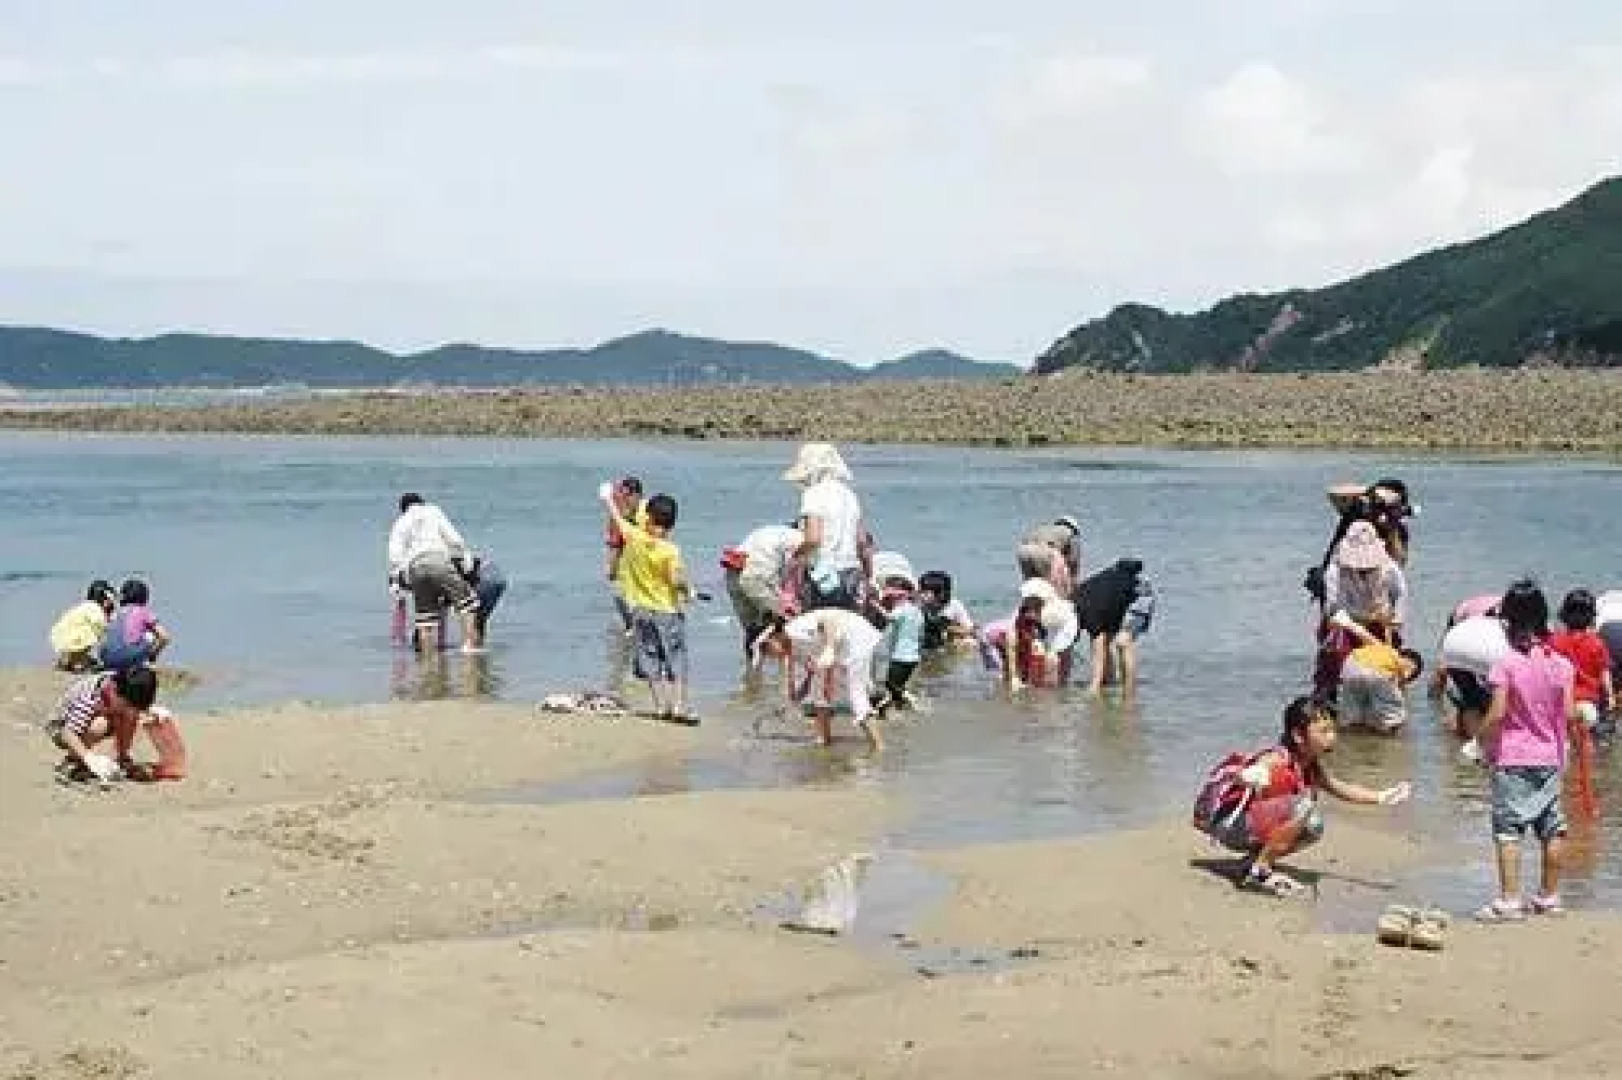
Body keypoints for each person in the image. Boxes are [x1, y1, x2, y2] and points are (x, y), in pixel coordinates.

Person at [1193, 697, 1411, 897]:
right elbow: (1247, 772)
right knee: (1304, 807)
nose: (1332, 737)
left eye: (1333, 730)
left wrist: (1382, 797)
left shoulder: (1309, 765)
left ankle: (1251, 864)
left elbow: (1340, 788)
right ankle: (1260, 873)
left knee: (1313, 827)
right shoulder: (1278, 758)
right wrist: (1249, 775)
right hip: (1228, 824)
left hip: (1248, 825)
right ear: (1298, 736)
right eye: (1324, 731)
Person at [1472, 581, 1579, 922]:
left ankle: (1509, 900)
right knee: (1552, 828)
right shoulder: (1562, 666)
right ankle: (1549, 897)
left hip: (1514, 758)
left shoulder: (1506, 664)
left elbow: (1499, 713)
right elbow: (1572, 713)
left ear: (1508, 623)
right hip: (1551, 757)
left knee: (1508, 830)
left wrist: (1478, 741)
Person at [600, 485, 693, 722]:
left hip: (640, 610)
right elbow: (676, 580)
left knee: (649, 657)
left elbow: (618, 518)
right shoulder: (671, 550)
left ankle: (661, 706)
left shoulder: (635, 537)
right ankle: (679, 706)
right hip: (667, 611)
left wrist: (607, 498)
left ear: (647, 518)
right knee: (675, 657)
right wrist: (689, 590)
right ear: (672, 525)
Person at [754, 607, 886, 750]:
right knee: (819, 694)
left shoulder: (796, 630)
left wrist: (830, 649)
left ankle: (879, 747)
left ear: (775, 636)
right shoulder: (790, 652)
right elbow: (803, 685)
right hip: (834, 648)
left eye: (767, 650)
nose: (770, 656)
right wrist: (800, 692)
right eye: (765, 654)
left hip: (855, 638)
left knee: (856, 694)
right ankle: (824, 739)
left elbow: (830, 620)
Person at [1313, 520, 1407, 698]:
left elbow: (1400, 592)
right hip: (1344, 626)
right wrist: (1357, 626)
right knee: (1339, 672)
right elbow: (1334, 608)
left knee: (1384, 674)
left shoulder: (1389, 567)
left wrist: (1395, 620)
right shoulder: (1335, 570)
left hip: (1378, 623)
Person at [387, 493, 483, 655]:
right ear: (422, 503)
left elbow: (394, 556)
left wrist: (402, 576)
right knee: (468, 605)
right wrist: (464, 560)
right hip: (438, 561)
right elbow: (455, 540)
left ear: (403, 509)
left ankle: (428, 660)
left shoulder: (400, 522)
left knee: (425, 619)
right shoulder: (433, 511)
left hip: (415, 568)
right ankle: (469, 647)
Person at [784, 443, 871, 612]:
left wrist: (794, 559)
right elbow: (862, 542)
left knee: (820, 628)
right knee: (844, 628)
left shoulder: (813, 494)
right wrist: (868, 575)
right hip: (851, 573)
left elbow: (814, 539)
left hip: (823, 576)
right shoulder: (850, 495)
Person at [44, 665, 160, 784]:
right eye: (126, 704)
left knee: (131, 716)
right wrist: (90, 759)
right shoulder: (91, 697)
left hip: (92, 717)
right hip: (60, 728)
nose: (129, 709)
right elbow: (67, 733)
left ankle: (122, 757)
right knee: (100, 725)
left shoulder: (122, 684)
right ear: (115, 690)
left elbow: (134, 707)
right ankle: (73, 760)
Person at [1328, 611, 1424, 733]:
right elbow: (1400, 678)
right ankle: (1391, 741)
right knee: (1394, 716)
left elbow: (1363, 634)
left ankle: (1350, 738)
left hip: (1350, 666)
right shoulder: (1401, 660)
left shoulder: (1381, 649)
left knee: (1351, 716)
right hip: (1374, 672)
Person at [721, 523, 803, 662]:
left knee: (752, 630)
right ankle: (785, 670)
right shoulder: (801, 539)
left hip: (733, 573)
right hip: (757, 576)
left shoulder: (768, 532)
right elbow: (792, 577)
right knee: (786, 621)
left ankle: (752, 673)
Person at [1073, 557, 1155, 694]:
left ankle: (1129, 692)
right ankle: (1109, 680)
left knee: (1123, 641)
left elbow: (1097, 646)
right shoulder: (1079, 605)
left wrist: (1094, 686)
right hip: (1114, 597)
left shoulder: (1087, 610)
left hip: (1138, 590)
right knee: (1106, 640)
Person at [1549, 589, 1615, 737]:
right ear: (1592, 617)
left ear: (1564, 614)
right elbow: (1605, 675)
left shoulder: (1554, 641)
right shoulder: (1597, 643)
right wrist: (1610, 699)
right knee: (1587, 748)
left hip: (1559, 706)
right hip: (1587, 706)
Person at [1439, 612, 1512, 738]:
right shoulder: (1505, 631)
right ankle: (1477, 742)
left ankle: (1467, 737)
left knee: (1468, 699)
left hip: (1454, 645)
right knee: (1481, 700)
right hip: (1484, 652)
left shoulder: (1471, 621)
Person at [871, 575, 924, 715]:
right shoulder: (916, 610)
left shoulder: (901, 608)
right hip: (913, 657)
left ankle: (911, 703)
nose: (889, 593)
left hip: (901, 657)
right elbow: (919, 632)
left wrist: (876, 605)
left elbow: (890, 617)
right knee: (897, 685)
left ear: (903, 593)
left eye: (892, 590)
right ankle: (899, 709)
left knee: (891, 684)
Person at [1429, 594, 1501, 697]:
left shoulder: (1510, 621)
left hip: (1480, 608)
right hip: (1462, 615)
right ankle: (1434, 700)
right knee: (1444, 665)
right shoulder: (1475, 627)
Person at [96, 579, 172, 672]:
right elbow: (164, 637)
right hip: (129, 657)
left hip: (108, 659)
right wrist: (152, 656)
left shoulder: (114, 613)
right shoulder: (143, 611)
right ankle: (142, 663)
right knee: (149, 636)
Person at [978, 595, 1050, 691]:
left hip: (1003, 639)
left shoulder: (1031, 621)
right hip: (988, 639)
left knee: (1021, 656)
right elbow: (1011, 652)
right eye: (1038, 611)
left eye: (1040, 611)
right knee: (1001, 667)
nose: (1040, 614)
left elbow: (1033, 643)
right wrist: (1014, 678)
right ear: (1029, 611)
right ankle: (1001, 689)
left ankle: (1012, 680)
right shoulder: (1013, 627)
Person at [603, 476, 647, 635]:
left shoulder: (647, 513)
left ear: (638, 495)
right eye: (621, 495)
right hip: (628, 568)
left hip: (644, 567)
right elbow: (614, 546)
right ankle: (631, 629)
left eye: (627, 495)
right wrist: (612, 568)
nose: (624, 499)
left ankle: (634, 630)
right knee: (621, 598)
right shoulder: (618, 516)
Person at [48, 580, 116, 672]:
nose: (111, 602)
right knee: (92, 634)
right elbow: (102, 626)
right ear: (104, 599)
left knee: (88, 631)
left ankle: (70, 660)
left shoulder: (85, 606)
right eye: (110, 599)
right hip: (72, 639)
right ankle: (78, 662)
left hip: (60, 637)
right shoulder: (94, 608)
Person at [1015, 516, 1083, 596]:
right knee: (1058, 582)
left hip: (1023, 551)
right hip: (1045, 550)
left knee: (1032, 584)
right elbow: (1073, 564)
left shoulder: (1045, 529)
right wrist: (1074, 589)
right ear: (1074, 529)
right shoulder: (1069, 534)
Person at [917, 570, 975, 652]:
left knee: (968, 642)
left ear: (941, 594)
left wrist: (947, 627)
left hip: (947, 639)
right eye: (920, 591)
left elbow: (969, 629)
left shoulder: (954, 605)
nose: (921, 596)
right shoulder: (918, 606)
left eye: (925, 592)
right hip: (926, 640)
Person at [461, 554, 508, 640]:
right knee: (482, 618)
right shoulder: (462, 556)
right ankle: (479, 643)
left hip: (485, 579)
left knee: (474, 616)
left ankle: (472, 645)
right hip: (499, 580)